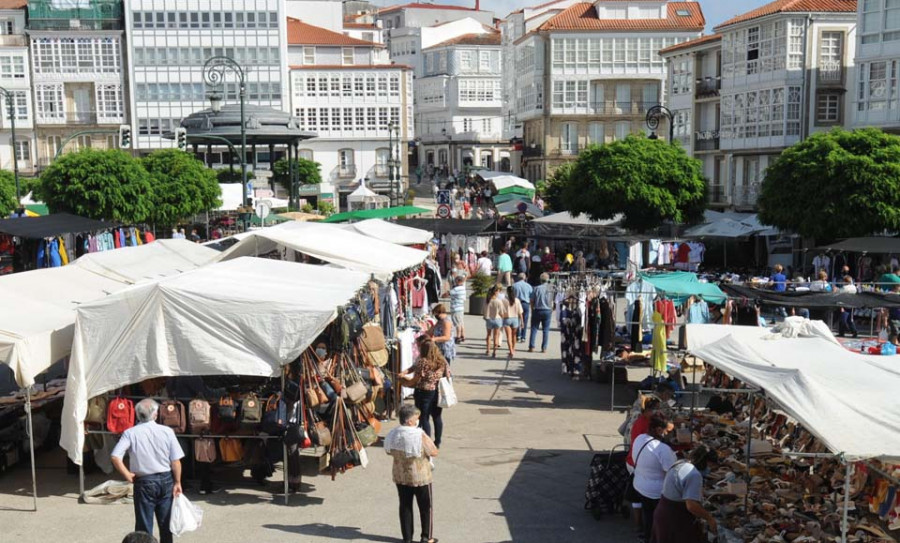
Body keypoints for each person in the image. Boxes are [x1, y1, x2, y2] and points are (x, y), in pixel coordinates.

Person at [111, 399, 184, 543]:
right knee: (165, 524)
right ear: (156, 414)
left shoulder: (130, 433)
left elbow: (115, 456)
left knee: (144, 526)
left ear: (137, 415)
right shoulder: (167, 431)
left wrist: (127, 475)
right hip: (166, 479)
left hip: (144, 481)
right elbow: (175, 461)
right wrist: (178, 482)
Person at [384, 404, 439, 543]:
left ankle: (407, 538)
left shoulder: (393, 433)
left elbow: (388, 450)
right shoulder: (419, 434)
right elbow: (433, 451)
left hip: (401, 476)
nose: (417, 421)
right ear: (409, 421)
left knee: (405, 506)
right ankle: (426, 537)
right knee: (425, 507)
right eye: (416, 418)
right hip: (421, 477)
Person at [650, 445, 718, 543]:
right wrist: (709, 518)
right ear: (705, 461)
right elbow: (691, 506)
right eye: (710, 466)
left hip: (663, 513)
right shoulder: (694, 474)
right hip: (674, 518)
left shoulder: (681, 463)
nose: (709, 469)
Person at [632, 415, 677, 543]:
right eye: (668, 431)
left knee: (649, 515)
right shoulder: (663, 449)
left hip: (640, 485)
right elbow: (672, 471)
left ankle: (647, 537)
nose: (670, 434)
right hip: (656, 492)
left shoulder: (639, 438)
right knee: (660, 520)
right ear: (658, 430)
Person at [399, 338, 449, 449]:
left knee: (423, 417)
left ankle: (426, 441)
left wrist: (405, 381)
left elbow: (416, 378)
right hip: (437, 391)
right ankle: (437, 441)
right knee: (437, 417)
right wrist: (406, 372)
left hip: (423, 392)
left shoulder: (423, 361)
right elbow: (447, 374)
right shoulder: (442, 361)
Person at [529, 273, 554, 353]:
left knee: (534, 329)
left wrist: (532, 309)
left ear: (540, 280)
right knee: (546, 330)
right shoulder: (551, 289)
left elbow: (532, 300)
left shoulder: (536, 288)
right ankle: (544, 348)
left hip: (537, 309)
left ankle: (531, 347)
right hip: (547, 310)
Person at [502, 286, 524, 358]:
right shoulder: (517, 300)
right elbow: (520, 312)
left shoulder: (504, 300)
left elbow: (501, 311)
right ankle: (513, 348)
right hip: (515, 319)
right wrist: (522, 322)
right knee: (514, 336)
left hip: (507, 318)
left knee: (509, 336)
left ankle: (510, 350)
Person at [512, 273, 533, 343]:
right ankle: (523, 336)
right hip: (526, 303)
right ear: (525, 278)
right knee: (525, 320)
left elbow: (512, 295)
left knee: (517, 319)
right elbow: (531, 296)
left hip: (517, 303)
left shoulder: (514, 285)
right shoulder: (528, 286)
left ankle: (518, 335)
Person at [484, 285, 504, 358]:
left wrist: (485, 317)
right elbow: (501, 312)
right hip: (497, 319)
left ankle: (488, 349)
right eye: (498, 291)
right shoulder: (499, 301)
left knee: (488, 335)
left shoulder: (487, 300)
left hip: (489, 319)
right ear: (495, 292)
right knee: (496, 336)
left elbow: (485, 310)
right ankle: (494, 351)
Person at [449, 276, 467, 343]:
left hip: (456, 308)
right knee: (461, 322)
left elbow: (448, 294)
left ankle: (458, 337)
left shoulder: (456, 289)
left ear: (458, 281)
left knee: (457, 323)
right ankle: (463, 335)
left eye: (455, 281)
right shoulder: (463, 288)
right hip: (461, 307)